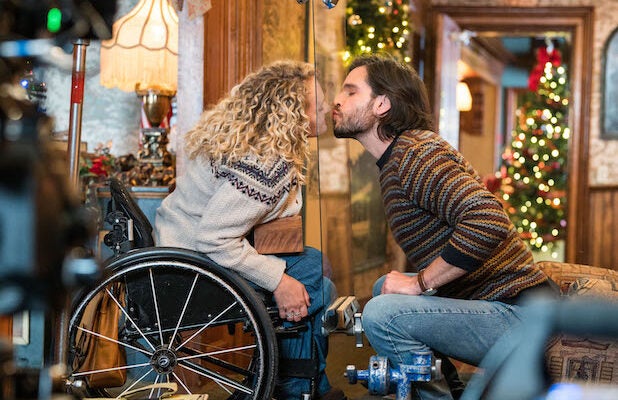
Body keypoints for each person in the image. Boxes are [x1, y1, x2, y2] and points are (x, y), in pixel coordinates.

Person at [332, 54, 559, 400]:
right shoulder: (398, 158)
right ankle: (451, 390)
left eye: (350, 92)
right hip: (499, 305)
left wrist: (420, 282)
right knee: (385, 289)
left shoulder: (414, 154)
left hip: (520, 316)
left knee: (381, 314)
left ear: (381, 104)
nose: (338, 100)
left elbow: (488, 220)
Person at [155, 60, 346, 400]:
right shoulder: (265, 164)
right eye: (317, 105)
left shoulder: (261, 147)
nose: (326, 108)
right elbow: (214, 239)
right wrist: (280, 282)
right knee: (311, 271)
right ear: (293, 114)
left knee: (319, 282)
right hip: (192, 266)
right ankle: (295, 389)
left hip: (182, 244)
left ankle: (301, 385)